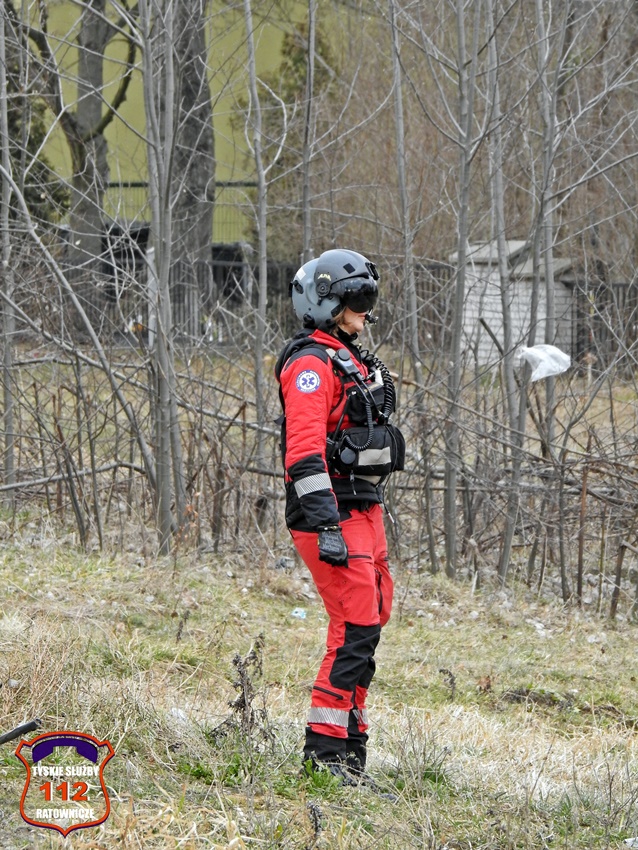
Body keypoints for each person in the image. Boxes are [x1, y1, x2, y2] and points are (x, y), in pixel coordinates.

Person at [274, 248, 404, 785]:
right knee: (354, 628)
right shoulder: (310, 364)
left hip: (363, 505)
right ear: (326, 301)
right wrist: (326, 524)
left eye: (369, 298)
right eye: (358, 299)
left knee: (370, 622)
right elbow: (304, 453)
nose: (366, 311)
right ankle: (325, 758)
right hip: (331, 513)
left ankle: (350, 754)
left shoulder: (345, 358)